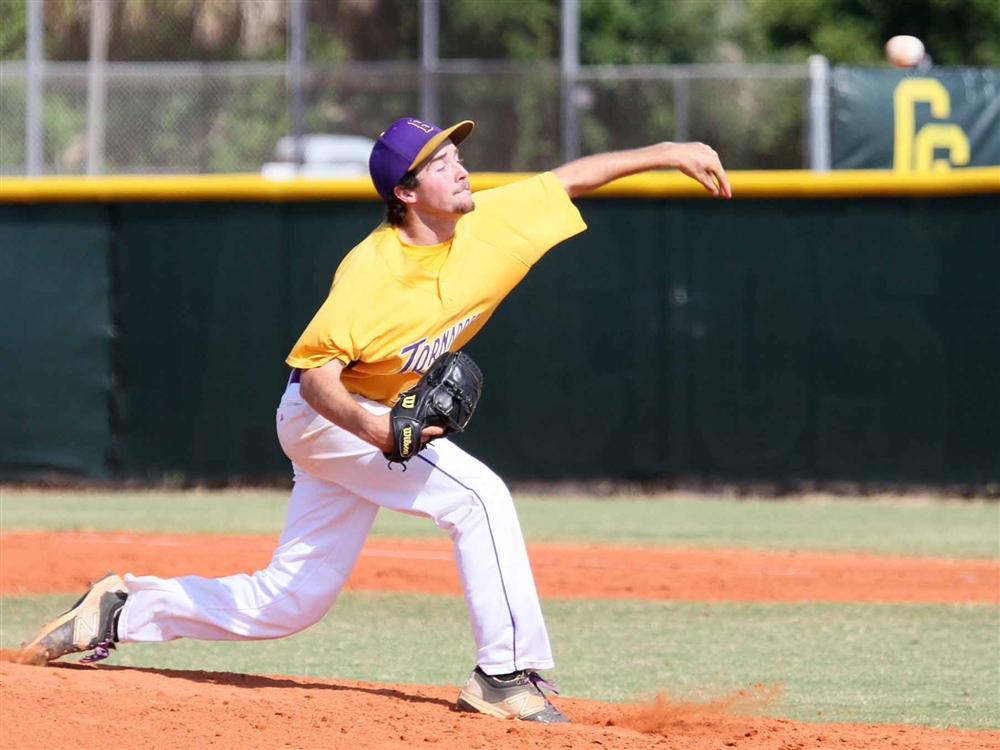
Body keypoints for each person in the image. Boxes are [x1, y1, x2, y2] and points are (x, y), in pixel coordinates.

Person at [21, 117, 730, 723]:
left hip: (363, 419)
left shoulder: (494, 222)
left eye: (456, 155)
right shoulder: (372, 273)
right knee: (478, 497)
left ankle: (120, 611)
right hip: (328, 415)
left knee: (290, 601)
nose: (459, 169)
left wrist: (667, 151)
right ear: (405, 192)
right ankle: (505, 676)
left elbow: (571, 178)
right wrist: (380, 431)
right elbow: (318, 376)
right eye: (439, 163)